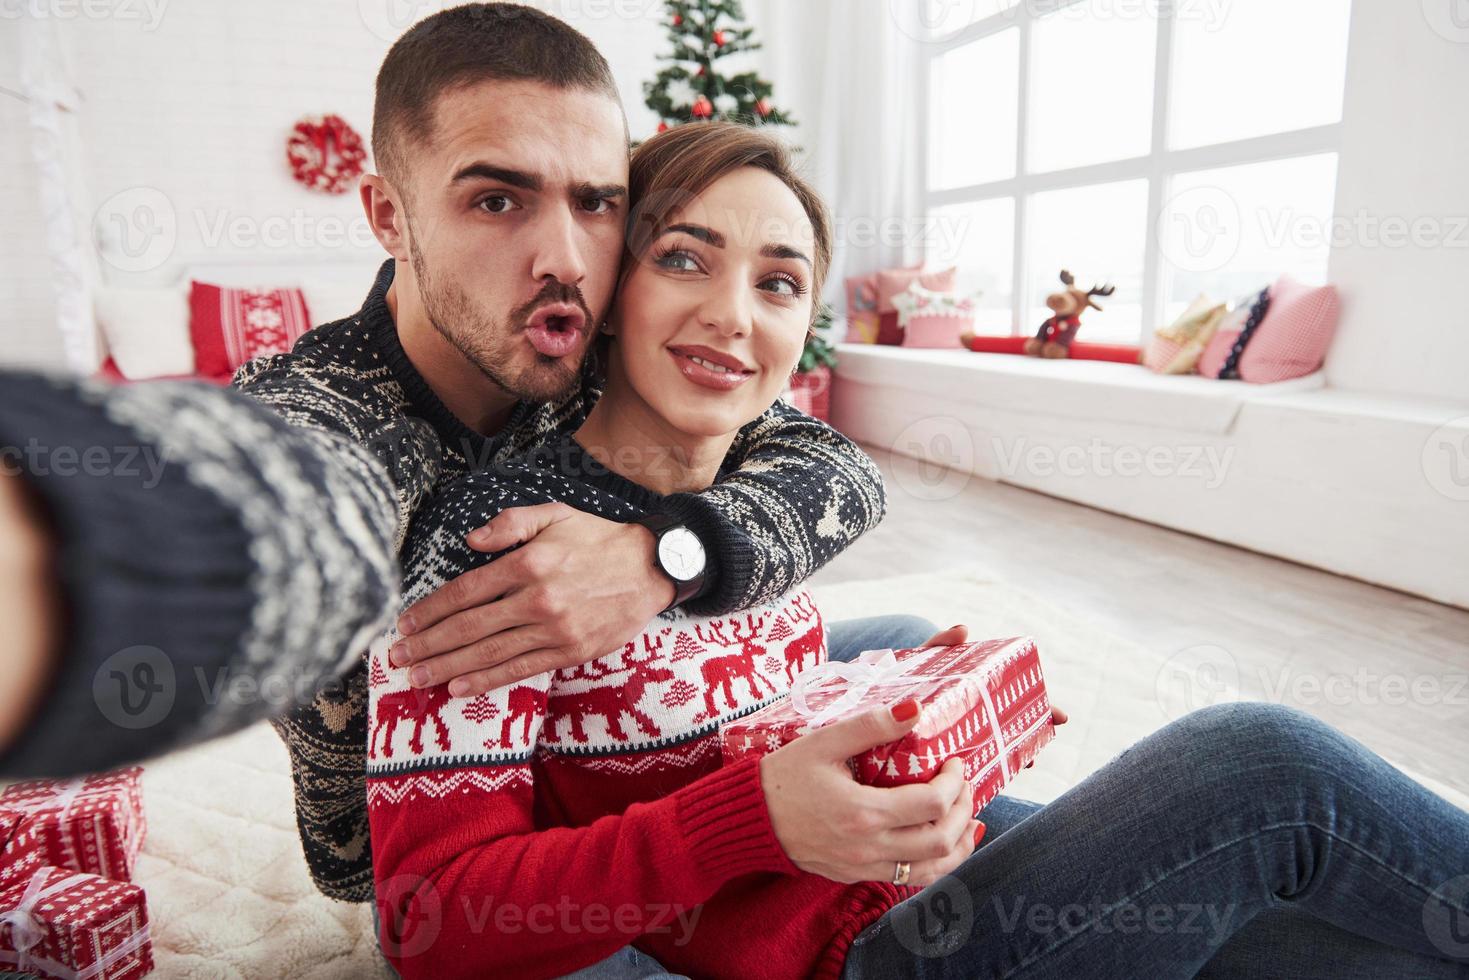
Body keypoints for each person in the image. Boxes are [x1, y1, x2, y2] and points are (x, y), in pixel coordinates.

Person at [368, 121, 1469, 980]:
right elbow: (425, 920)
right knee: (1263, 769)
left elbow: (779, 626)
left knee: (1370, 938)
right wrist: (753, 821)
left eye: (777, 281)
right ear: (612, 293)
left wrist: (916, 733)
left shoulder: (756, 478)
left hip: (917, 868)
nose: (732, 316)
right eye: (684, 260)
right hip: (866, 953)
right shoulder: (493, 547)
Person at [0, 0, 934, 924]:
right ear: (389, 216)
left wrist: (664, 557)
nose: (563, 257)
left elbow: (829, 462)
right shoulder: (336, 407)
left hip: (605, 687)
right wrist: (67, 557)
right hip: (441, 812)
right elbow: (270, 499)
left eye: (596, 203)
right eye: (497, 200)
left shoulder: (589, 347)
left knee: (906, 640)